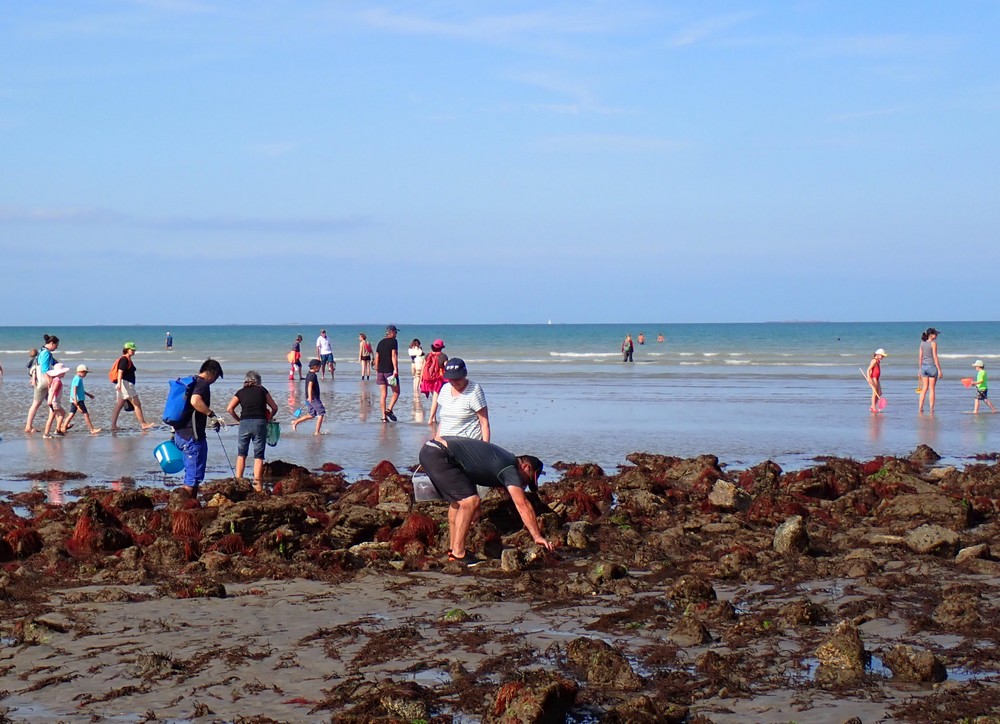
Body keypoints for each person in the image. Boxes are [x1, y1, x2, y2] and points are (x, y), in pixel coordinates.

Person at [418, 436, 554, 566]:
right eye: (527, 479)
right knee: (470, 501)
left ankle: (453, 550)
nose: (523, 484)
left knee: (459, 503)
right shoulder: (509, 467)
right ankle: (458, 553)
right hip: (439, 454)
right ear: (525, 467)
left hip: (432, 450)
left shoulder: (503, 459)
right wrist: (537, 536)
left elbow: (474, 469)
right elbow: (522, 504)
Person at [173, 359, 225, 496]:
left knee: (191, 474)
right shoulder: (203, 384)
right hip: (192, 436)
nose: (215, 380)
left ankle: (191, 504)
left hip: (180, 434)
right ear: (212, 373)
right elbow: (195, 401)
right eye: (216, 377)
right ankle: (187, 509)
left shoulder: (192, 382)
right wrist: (211, 415)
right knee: (193, 478)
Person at [226, 371, 280, 491]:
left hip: (244, 423)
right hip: (260, 423)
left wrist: (238, 420)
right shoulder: (262, 390)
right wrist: (269, 418)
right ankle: (257, 484)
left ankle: (238, 481)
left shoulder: (240, 392)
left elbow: (229, 408)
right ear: (258, 381)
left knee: (241, 453)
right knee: (258, 455)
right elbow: (275, 407)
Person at [428, 358, 490, 441]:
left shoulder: (474, 390)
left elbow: (484, 423)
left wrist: (485, 449)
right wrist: (437, 440)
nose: (453, 382)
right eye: (451, 379)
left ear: (464, 375)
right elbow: (443, 421)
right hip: (445, 442)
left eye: (457, 379)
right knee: (427, 450)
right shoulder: (445, 389)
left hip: (467, 443)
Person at [110, 342, 155, 431]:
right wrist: (119, 383)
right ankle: (143, 424)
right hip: (125, 384)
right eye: (132, 350)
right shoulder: (124, 359)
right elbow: (120, 372)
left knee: (119, 405)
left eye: (134, 350)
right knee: (137, 403)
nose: (134, 351)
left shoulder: (127, 359)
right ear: (127, 350)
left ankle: (113, 426)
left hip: (124, 384)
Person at [25, 335, 58, 433]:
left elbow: (53, 363)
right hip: (43, 383)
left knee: (53, 403)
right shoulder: (46, 353)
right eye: (56, 345)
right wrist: (50, 382)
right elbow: (44, 369)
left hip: (42, 382)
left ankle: (60, 425)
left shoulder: (42, 351)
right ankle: (28, 426)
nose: (57, 347)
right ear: (52, 343)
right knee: (36, 404)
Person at [61, 364, 102, 434]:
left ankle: (64, 427)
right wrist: (75, 400)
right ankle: (92, 429)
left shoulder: (76, 378)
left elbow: (80, 390)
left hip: (75, 399)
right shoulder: (78, 379)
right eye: (85, 373)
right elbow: (75, 389)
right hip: (78, 400)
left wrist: (88, 395)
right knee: (86, 414)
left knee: (71, 414)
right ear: (80, 372)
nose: (86, 375)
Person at [291, 359, 325, 434]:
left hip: (311, 397)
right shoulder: (312, 376)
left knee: (311, 414)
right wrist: (310, 397)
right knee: (321, 413)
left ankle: (295, 422)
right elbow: (309, 386)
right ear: (315, 367)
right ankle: (317, 432)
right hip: (313, 398)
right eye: (319, 366)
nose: (320, 368)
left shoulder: (309, 374)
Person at [375, 325, 401, 422]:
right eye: (395, 332)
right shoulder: (393, 342)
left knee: (383, 394)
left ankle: (383, 417)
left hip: (380, 371)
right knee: (396, 391)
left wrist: (377, 369)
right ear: (392, 332)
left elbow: (377, 357)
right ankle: (389, 409)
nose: (396, 334)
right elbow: (393, 355)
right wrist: (395, 369)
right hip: (389, 371)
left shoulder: (380, 342)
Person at [918, 327, 943, 414]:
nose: (936, 335)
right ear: (931, 335)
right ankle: (931, 409)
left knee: (924, 388)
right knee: (932, 389)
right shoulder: (933, 343)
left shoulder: (922, 343)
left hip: (924, 367)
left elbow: (920, 357)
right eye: (935, 334)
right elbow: (935, 357)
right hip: (932, 366)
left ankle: (920, 408)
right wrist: (939, 370)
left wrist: (920, 369)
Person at [42, 363, 70, 438]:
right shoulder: (57, 381)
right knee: (60, 414)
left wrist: (49, 400)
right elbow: (53, 390)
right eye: (63, 372)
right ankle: (51, 432)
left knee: (55, 416)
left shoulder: (55, 379)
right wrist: (50, 400)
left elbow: (50, 389)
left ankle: (55, 430)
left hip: (53, 401)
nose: (64, 373)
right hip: (54, 402)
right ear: (60, 373)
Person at [864, 348, 888, 413]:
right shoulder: (874, 361)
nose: (883, 357)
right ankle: (873, 408)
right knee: (874, 393)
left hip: (877, 378)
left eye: (883, 356)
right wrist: (869, 379)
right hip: (873, 378)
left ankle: (872, 406)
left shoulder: (878, 361)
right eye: (882, 355)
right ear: (878, 354)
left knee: (879, 393)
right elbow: (868, 370)